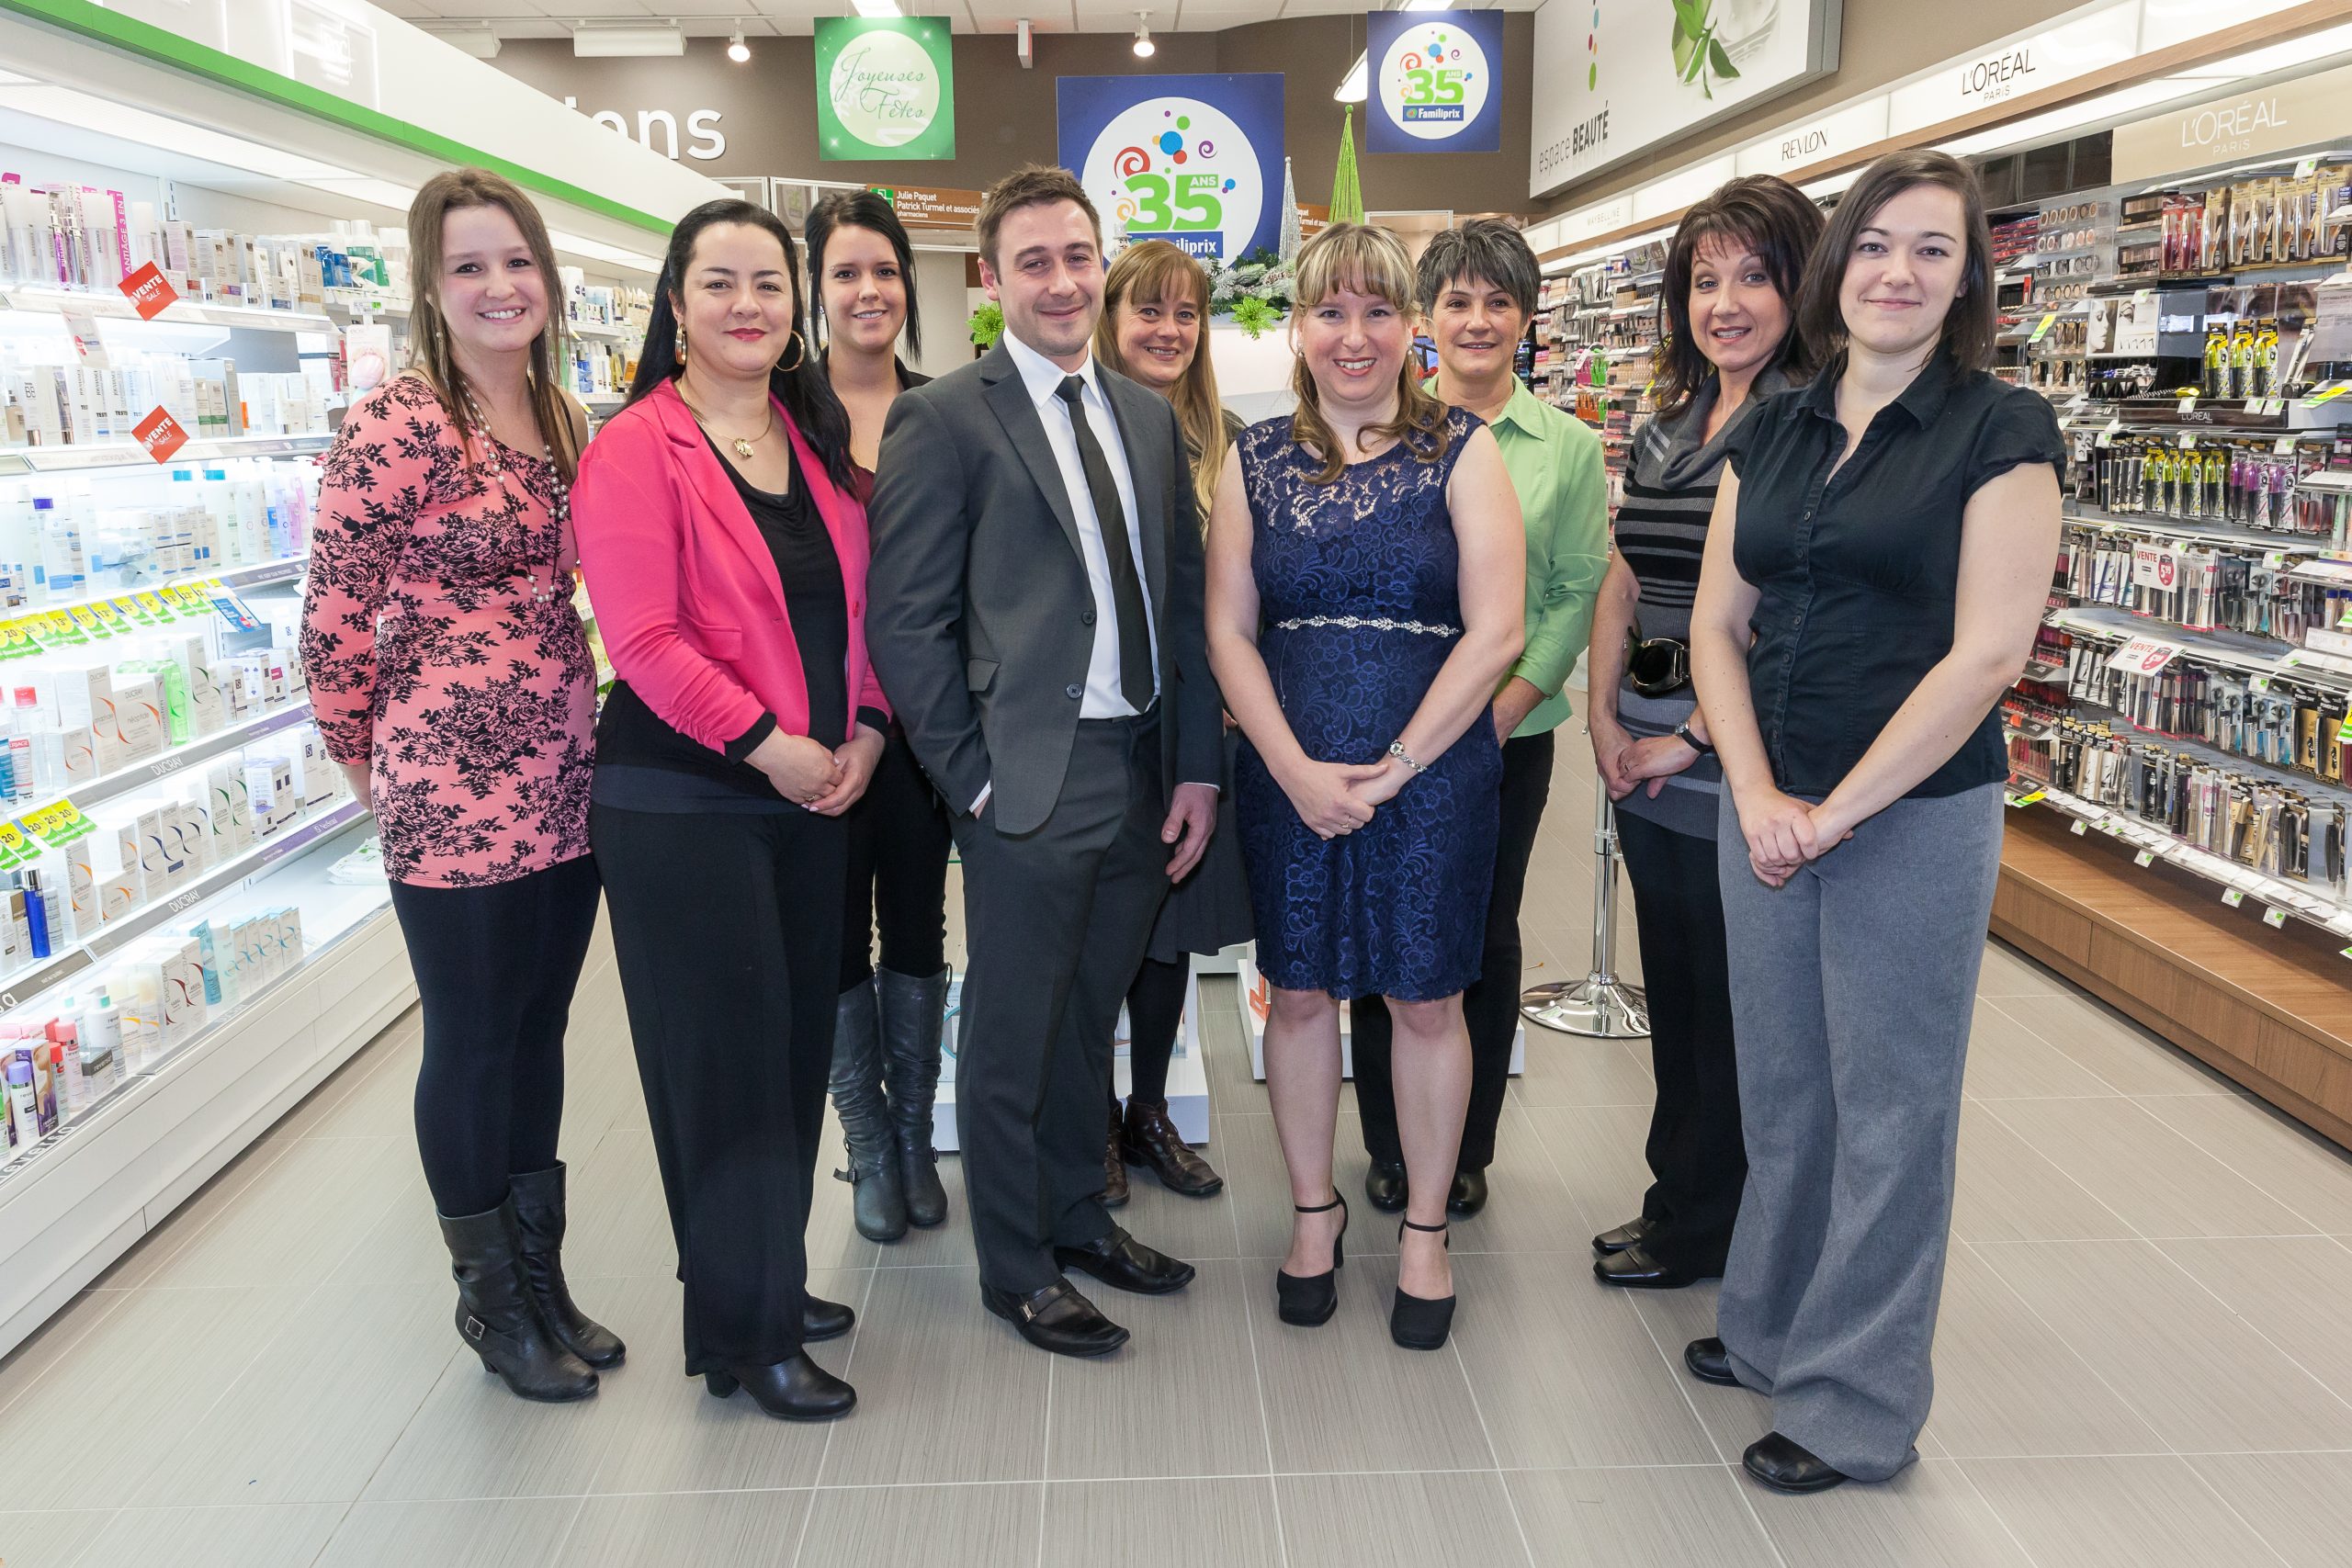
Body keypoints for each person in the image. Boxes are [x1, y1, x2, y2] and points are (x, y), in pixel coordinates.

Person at [1682, 149, 2063, 1492]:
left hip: (1907, 816)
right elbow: (1716, 624)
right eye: (1877, 244)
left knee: (1892, 1109)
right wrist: (1753, 792)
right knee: (1786, 1085)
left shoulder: (2000, 429)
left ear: (1967, 281)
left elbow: (1988, 654)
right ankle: (1771, 1323)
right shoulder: (1777, 425)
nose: (1898, 272)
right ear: (1837, 265)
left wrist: (1833, 811)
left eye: (1933, 250)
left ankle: (1854, 1402)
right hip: (1765, 807)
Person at [866, 167, 1223, 1359]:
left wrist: (1195, 767)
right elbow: (904, 623)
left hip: (1140, 769)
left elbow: (1180, 604)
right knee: (1013, 1034)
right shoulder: (944, 420)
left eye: (1077, 255)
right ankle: (1016, 1265)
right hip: (1022, 779)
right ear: (992, 278)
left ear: (1099, 260)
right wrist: (970, 779)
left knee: (1084, 1022)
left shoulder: (1144, 416)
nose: (1062, 281)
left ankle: (1079, 1216)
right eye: (1034, 261)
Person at [573, 198, 888, 1422]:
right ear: (675, 303)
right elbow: (644, 640)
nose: (746, 304)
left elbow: (855, 612)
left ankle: (762, 1280)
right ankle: (747, 1336)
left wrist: (865, 732)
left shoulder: (807, 440)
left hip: (810, 789)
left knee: (792, 1052)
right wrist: (771, 748)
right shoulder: (636, 447)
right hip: (686, 799)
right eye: (719, 283)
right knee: (723, 1070)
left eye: (767, 283)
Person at [302, 167, 614, 1404]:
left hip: (565, 770)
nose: (499, 286)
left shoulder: (563, 414)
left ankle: (541, 1279)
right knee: (475, 1036)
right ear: (431, 287)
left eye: (517, 261)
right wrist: (362, 759)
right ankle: (491, 1302)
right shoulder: (399, 423)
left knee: (541, 1027)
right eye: (469, 266)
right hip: (448, 783)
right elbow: (333, 612)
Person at [1206, 222, 1525, 1351]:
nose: (1355, 335)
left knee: (1427, 999)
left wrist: (1396, 769)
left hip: (1431, 776)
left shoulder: (1463, 450)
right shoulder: (1251, 458)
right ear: (1298, 326)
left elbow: (1497, 631)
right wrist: (1292, 770)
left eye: (1378, 311)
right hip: (1289, 774)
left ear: (1411, 329)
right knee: (1297, 993)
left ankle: (1426, 1232)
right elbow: (1228, 631)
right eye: (1331, 312)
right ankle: (1314, 1212)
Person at [1582, 175, 1824, 1291]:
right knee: (1677, 996)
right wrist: (1601, 716)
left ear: (1801, 285)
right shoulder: (1667, 426)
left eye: (1754, 277)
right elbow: (1625, 575)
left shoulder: (1811, 428)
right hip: (1642, 762)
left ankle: (1716, 1229)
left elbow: (1787, 612)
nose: (1724, 303)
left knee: (1739, 1013)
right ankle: (1676, 1201)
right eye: (1704, 279)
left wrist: (1688, 738)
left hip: (1734, 766)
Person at [1349, 220, 1608, 1222]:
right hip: (1384, 736)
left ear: (1527, 317)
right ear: (1427, 318)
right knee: (1383, 932)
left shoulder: (1567, 448)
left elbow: (1574, 592)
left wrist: (1500, 713)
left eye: (1499, 302)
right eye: (1456, 300)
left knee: (1483, 935)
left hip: (1507, 737)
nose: (1477, 320)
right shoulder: (1379, 429)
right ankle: (1386, 1141)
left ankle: (1464, 1148)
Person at [805, 190, 955, 1246]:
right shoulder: (778, 411)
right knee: (829, 931)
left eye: (885, 270)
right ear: (815, 288)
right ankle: (864, 1138)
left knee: (916, 920)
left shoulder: (943, 410)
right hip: (809, 727)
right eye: (845, 272)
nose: (869, 291)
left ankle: (913, 1139)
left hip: (921, 724)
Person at [1089, 239, 1251, 1205]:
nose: (1169, 330)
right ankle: (1093, 1121)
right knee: (1101, 936)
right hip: (1112, 732)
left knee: (1171, 932)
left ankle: (1148, 1109)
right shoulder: (1083, 426)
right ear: (1110, 319)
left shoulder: (1226, 438)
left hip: (1201, 729)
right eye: (1148, 310)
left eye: (1186, 313)